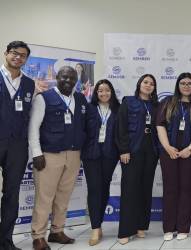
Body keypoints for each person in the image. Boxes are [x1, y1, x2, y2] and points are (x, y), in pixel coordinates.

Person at [28, 66, 88, 250]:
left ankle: (57, 231)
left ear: (76, 80)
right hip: (50, 155)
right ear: (57, 77)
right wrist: (37, 153)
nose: (68, 81)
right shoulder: (43, 98)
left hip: (74, 154)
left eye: (72, 78)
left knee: (63, 196)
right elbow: (33, 128)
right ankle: (38, 236)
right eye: (64, 77)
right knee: (44, 198)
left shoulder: (80, 98)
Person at [115, 74, 159, 244]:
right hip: (132, 150)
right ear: (139, 84)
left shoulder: (156, 105)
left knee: (145, 188)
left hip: (151, 150)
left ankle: (141, 226)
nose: (148, 85)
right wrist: (123, 149)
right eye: (145, 82)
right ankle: (125, 230)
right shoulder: (128, 102)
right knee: (129, 189)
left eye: (152, 84)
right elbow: (121, 126)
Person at [0, 41, 35, 250]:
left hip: (17, 147)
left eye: (23, 55)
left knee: (12, 194)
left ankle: (6, 241)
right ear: (6, 53)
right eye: (15, 53)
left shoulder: (29, 84)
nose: (18, 58)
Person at [156, 72, 191, 241]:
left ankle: (183, 227)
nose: (186, 86)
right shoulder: (167, 102)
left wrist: (190, 147)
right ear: (178, 85)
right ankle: (168, 228)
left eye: (190, 83)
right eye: (183, 83)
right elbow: (160, 125)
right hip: (169, 152)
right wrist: (167, 147)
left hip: (190, 152)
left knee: (186, 189)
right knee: (170, 189)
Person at [81, 79, 120, 246]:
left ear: (112, 92)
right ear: (96, 93)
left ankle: (99, 222)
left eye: (107, 90)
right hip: (91, 154)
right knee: (94, 189)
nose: (104, 93)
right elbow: (82, 130)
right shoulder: (89, 109)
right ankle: (95, 227)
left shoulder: (118, 110)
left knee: (104, 188)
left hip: (110, 155)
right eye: (100, 91)